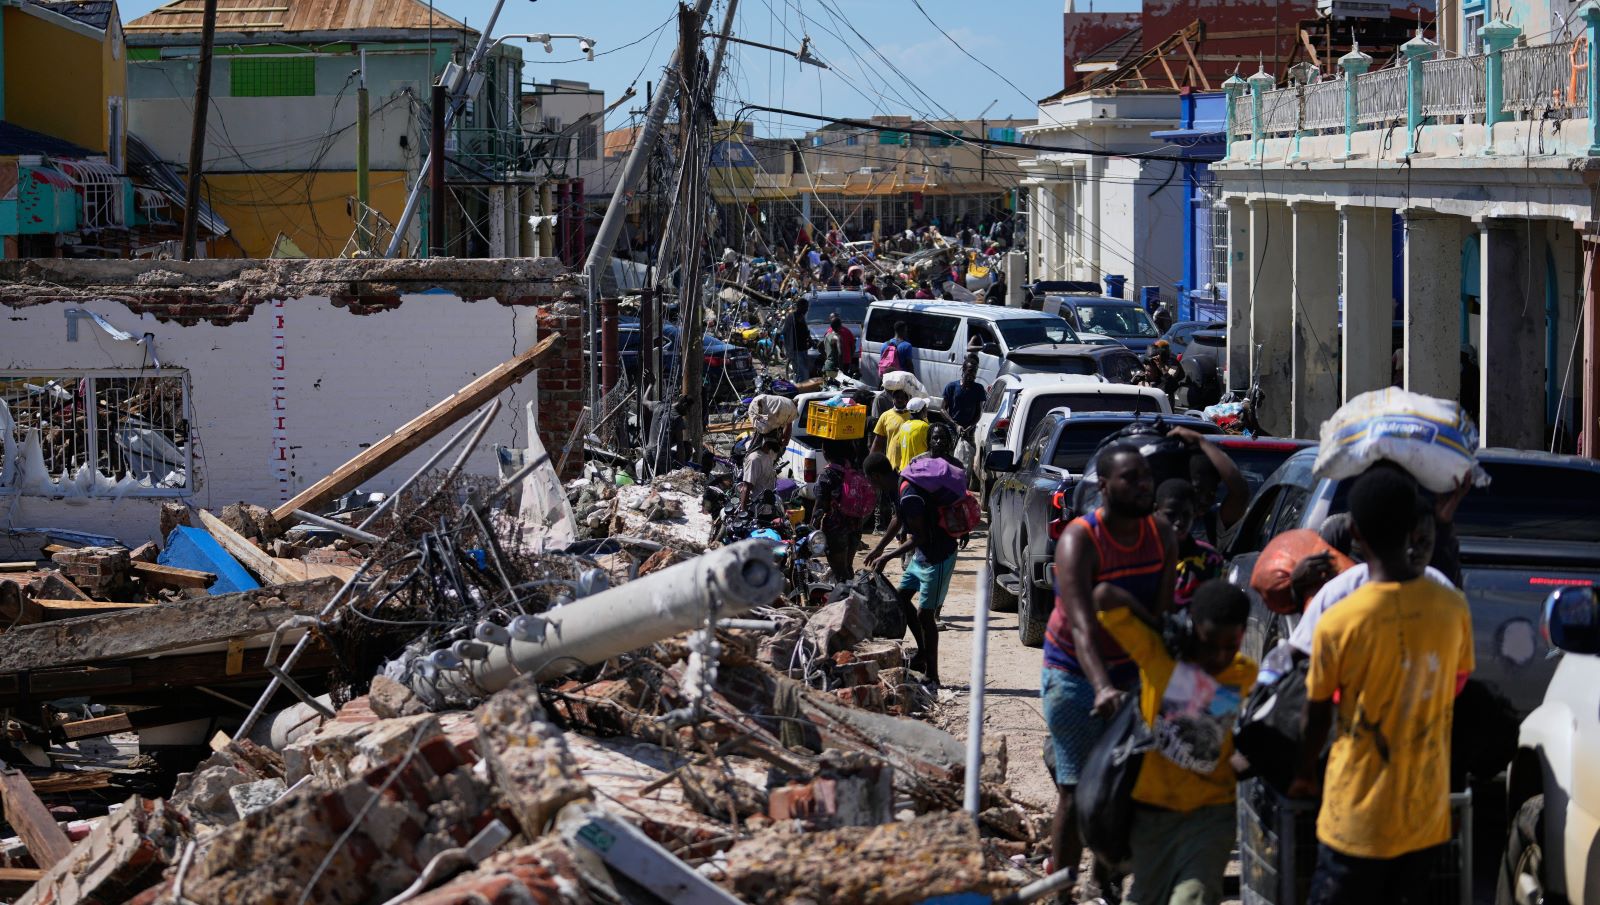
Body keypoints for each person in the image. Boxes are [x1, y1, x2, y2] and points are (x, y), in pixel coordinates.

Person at [1289, 467, 1474, 905]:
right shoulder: (1452, 606)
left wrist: (1302, 774)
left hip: (1353, 819)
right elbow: (1456, 684)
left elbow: (1316, 712)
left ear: (1354, 533)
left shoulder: (1339, 619)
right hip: (1425, 818)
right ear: (1415, 530)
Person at [1045, 445, 1177, 896]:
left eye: (1146, 477)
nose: (1143, 486)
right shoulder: (1080, 539)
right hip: (1075, 673)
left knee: (1129, 785)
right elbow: (1082, 625)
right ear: (1103, 485)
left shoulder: (1161, 533)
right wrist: (1102, 688)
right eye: (1130, 478)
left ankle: (1105, 879)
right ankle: (1062, 888)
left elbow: (1158, 618)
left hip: (1133, 671)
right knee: (1077, 789)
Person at [1093, 578, 1257, 905]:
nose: (1221, 655)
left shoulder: (1244, 673)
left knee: (1192, 898)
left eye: (1231, 644)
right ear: (1194, 629)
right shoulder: (1159, 656)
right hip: (1153, 814)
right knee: (1145, 898)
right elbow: (1103, 596)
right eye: (1211, 644)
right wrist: (1163, 626)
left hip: (1211, 814)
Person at [865, 455, 963, 685]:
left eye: (871, 481)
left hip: (938, 555)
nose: (872, 486)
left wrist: (888, 556)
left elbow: (921, 536)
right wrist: (879, 548)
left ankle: (933, 674)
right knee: (901, 599)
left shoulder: (908, 494)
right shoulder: (897, 487)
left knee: (925, 614)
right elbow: (897, 519)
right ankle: (922, 654)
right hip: (922, 555)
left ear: (876, 477)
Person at [1155, 478, 1224, 609]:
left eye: (1186, 515)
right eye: (1171, 515)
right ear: (1156, 512)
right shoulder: (1141, 553)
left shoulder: (1211, 558)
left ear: (1195, 514)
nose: (1179, 522)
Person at [1175, 428, 1249, 546]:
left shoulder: (1212, 522)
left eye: (1211, 494)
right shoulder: (1159, 518)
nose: (1205, 500)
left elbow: (1241, 491)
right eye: (1198, 490)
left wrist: (1201, 441)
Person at [814, 439, 870, 582]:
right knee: (847, 567)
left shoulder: (828, 475)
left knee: (839, 572)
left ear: (826, 451)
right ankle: (852, 596)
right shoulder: (854, 470)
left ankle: (846, 600)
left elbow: (820, 508)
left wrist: (811, 531)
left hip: (835, 530)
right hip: (855, 526)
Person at [644, 396, 694, 478]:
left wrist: (650, 386)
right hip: (661, 454)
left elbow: (644, 400)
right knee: (668, 480)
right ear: (684, 405)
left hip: (648, 451)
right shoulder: (677, 418)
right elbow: (680, 446)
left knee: (657, 479)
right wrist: (682, 468)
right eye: (688, 409)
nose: (687, 413)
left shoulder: (658, 405)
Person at [941, 355, 988, 432]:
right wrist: (955, 425)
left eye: (975, 372)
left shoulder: (979, 389)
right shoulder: (951, 387)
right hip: (952, 429)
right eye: (970, 371)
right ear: (964, 370)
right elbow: (942, 409)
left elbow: (979, 412)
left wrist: (971, 426)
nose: (972, 374)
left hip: (969, 431)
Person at [739, 433, 782, 510]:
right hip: (756, 509)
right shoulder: (755, 459)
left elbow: (747, 487)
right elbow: (747, 487)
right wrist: (743, 513)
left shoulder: (769, 454)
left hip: (766, 507)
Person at [888, 398, 932, 471]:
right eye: (925, 408)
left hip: (904, 469)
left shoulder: (904, 425)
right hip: (917, 470)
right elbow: (930, 449)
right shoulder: (923, 426)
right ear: (922, 410)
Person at [784, 297, 812, 382]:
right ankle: (800, 391)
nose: (807, 310)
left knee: (804, 372)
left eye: (807, 308)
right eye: (805, 307)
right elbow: (785, 332)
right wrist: (788, 350)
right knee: (802, 373)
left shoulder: (802, 318)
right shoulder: (791, 317)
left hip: (803, 349)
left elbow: (806, 332)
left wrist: (810, 341)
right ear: (799, 307)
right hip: (795, 351)